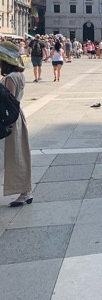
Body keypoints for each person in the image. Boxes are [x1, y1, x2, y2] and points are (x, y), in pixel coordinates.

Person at [0, 41, 32, 207]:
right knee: (19, 154)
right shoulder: (20, 75)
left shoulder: (10, 78)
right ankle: (25, 192)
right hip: (18, 117)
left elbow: (8, 102)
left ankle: (24, 192)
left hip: (9, 119)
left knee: (10, 155)